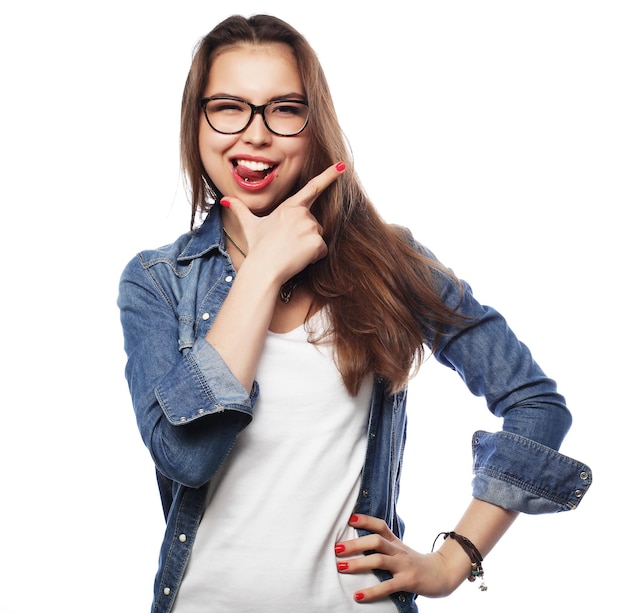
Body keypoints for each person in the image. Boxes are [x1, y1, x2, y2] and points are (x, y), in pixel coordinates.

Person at [118, 14, 592, 613]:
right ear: (197, 124)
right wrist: (262, 271)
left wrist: (451, 562)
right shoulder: (158, 283)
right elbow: (189, 456)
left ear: (315, 127)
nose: (255, 134)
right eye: (228, 107)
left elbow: (536, 407)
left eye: (284, 108)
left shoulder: (389, 263)